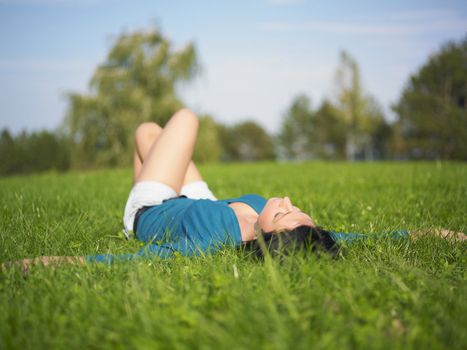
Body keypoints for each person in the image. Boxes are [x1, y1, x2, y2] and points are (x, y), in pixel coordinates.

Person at [3, 109, 466, 271]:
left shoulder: (212, 243)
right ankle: (151, 149)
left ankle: (137, 194)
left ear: (268, 239)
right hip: (204, 201)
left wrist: (41, 262)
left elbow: (129, 261)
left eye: (281, 214)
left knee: (174, 123)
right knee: (149, 137)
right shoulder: (296, 234)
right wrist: (436, 235)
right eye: (296, 210)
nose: (284, 202)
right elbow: (363, 241)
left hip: (154, 208)